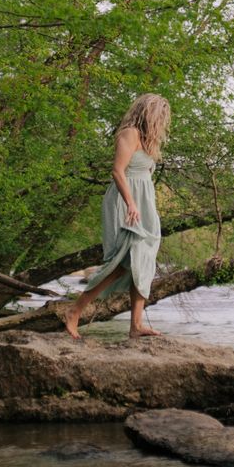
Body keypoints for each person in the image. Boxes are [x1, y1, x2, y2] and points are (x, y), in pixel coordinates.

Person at [57, 93, 169, 341]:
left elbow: (144, 179)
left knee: (143, 261)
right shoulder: (130, 133)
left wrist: (146, 207)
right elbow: (118, 172)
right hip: (124, 202)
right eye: (158, 115)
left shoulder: (150, 141)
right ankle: (74, 312)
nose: (161, 121)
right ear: (145, 112)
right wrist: (131, 203)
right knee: (119, 264)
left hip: (144, 205)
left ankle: (136, 326)